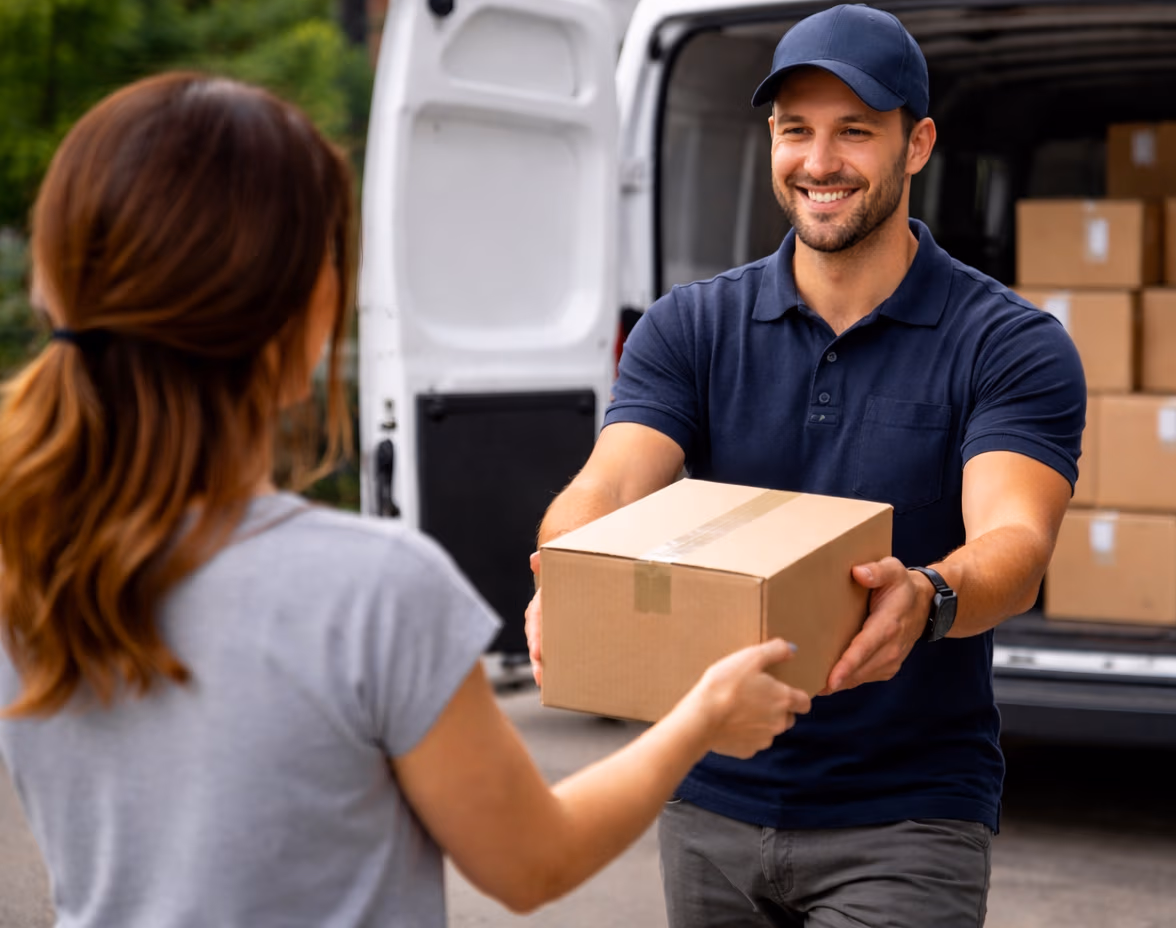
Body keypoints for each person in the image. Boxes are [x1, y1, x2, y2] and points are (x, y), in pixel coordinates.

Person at [0, 72, 810, 928]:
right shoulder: (372, 591)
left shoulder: (28, 556)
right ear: (313, 312)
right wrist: (699, 721)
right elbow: (533, 863)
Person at [525, 4, 1086, 926]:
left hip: (906, 817)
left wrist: (932, 596)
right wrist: (566, 567)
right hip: (709, 799)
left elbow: (1016, 540)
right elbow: (610, 483)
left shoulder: (1007, 344)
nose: (818, 162)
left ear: (918, 145)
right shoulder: (691, 326)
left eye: (854, 132)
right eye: (796, 131)